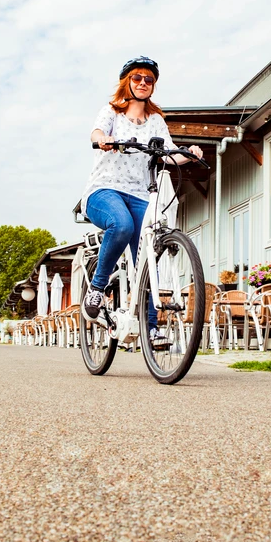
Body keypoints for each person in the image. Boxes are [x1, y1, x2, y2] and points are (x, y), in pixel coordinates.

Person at [80, 56, 204, 348]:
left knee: (147, 257)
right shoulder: (112, 111)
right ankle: (97, 288)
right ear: (127, 82)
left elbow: (169, 154)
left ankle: (150, 328)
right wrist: (103, 139)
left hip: (139, 194)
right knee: (120, 225)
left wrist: (190, 153)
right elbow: (96, 133)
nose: (144, 84)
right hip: (104, 190)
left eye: (149, 80)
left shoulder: (157, 121)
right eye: (138, 78)